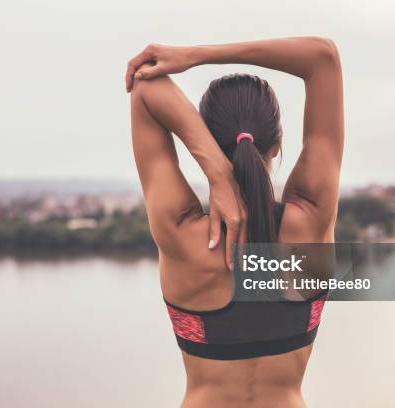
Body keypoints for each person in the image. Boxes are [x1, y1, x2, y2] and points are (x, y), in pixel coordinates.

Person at [126, 37, 343, 408]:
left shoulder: (182, 233)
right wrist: (197, 54)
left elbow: (146, 86)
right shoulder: (311, 220)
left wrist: (215, 169)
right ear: (277, 145)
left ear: (208, 140)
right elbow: (323, 57)